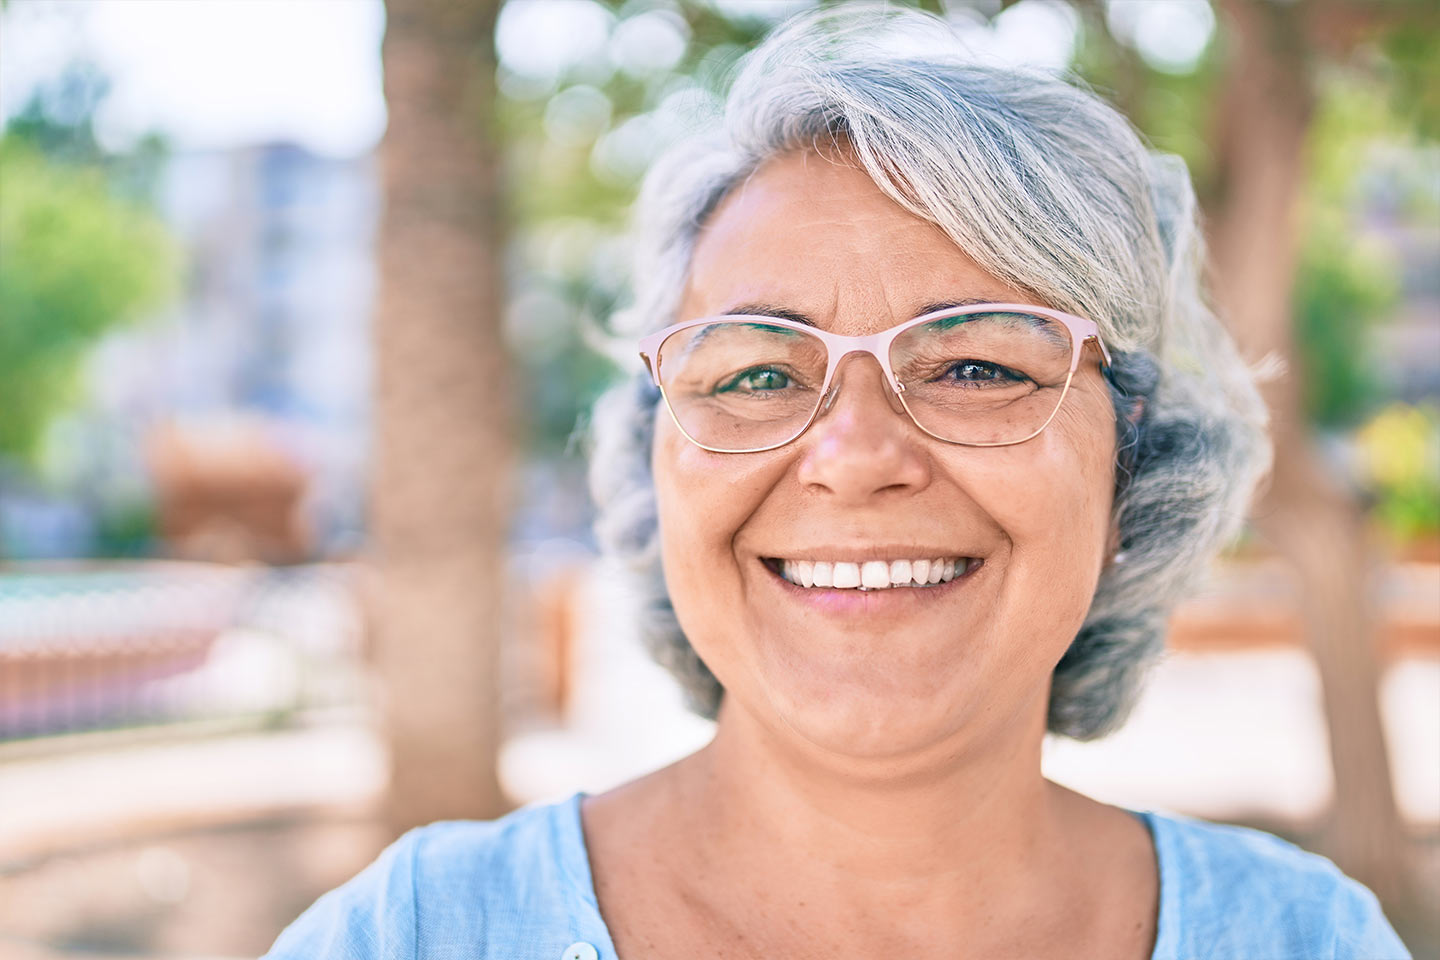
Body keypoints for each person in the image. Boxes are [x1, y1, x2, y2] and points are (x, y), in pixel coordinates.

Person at [264, 8, 1410, 959]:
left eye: (976, 364)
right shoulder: (410, 937)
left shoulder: (1305, 937)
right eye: (758, 370)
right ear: (656, 461)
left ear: (1136, 462)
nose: (857, 455)